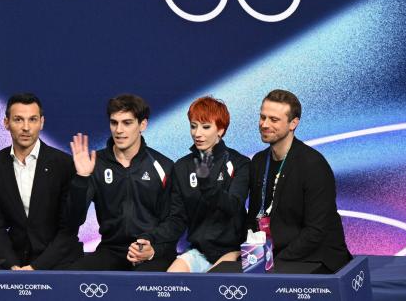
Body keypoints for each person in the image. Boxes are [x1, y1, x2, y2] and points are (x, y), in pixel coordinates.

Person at [139, 96, 250, 272]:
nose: (197, 133)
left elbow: (233, 206)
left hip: (232, 251)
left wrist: (206, 184)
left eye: (206, 127)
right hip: (198, 252)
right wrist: (151, 238)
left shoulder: (239, 163)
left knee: (213, 286)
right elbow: (177, 218)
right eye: (193, 125)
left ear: (220, 129)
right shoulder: (182, 166)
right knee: (170, 284)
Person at [246, 89, 352, 272]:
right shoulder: (258, 162)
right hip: (272, 254)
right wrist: (252, 254)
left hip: (316, 257)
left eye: (274, 119)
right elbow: (254, 217)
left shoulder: (313, 165)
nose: (264, 124)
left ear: (293, 123)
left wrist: (274, 262)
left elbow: (316, 231)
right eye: (262, 117)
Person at [68, 94, 175, 271]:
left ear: (142, 125)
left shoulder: (163, 166)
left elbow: (172, 221)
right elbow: (73, 221)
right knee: (73, 279)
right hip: (111, 251)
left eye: (127, 123)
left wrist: (152, 248)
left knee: (142, 287)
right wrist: (81, 178)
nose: (118, 130)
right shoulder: (95, 163)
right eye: (114, 122)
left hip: (153, 251)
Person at [0, 93, 81, 270]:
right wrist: (12, 264)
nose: (26, 127)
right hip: (14, 262)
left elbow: (68, 229)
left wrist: (37, 267)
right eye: (18, 120)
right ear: (6, 123)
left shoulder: (64, 164)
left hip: (58, 262)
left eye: (32, 120)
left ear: (41, 123)